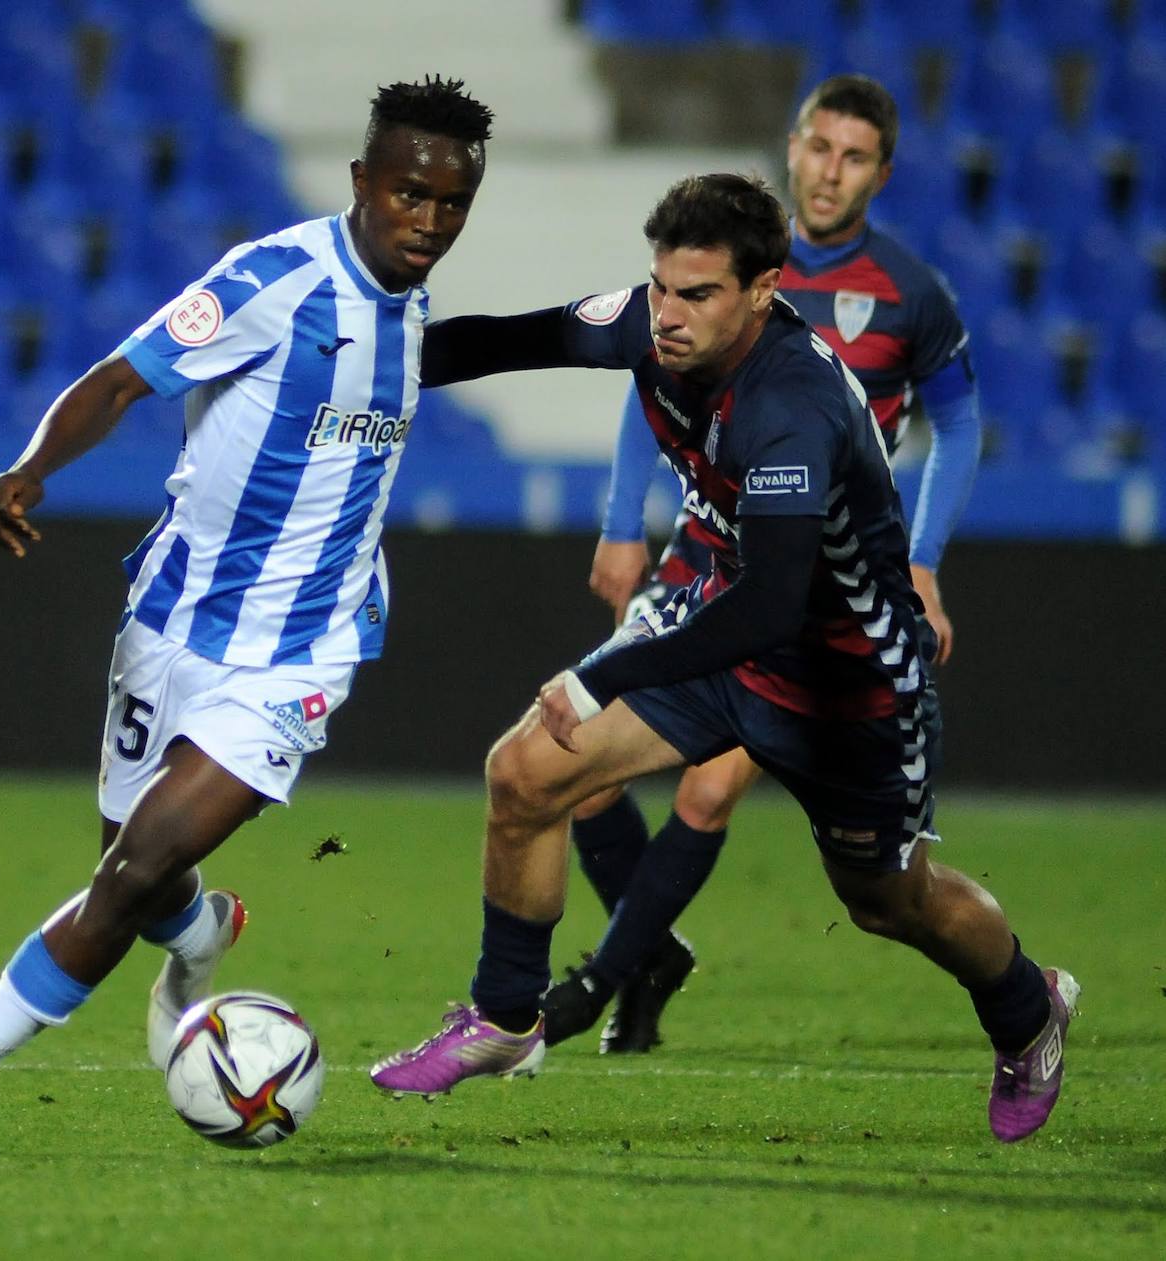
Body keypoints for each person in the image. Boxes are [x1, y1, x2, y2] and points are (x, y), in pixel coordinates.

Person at [0, 76, 494, 1153]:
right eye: (406, 194)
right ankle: (203, 940)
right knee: (143, 878)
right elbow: (117, 379)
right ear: (362, 183)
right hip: (175, 621)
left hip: (303, 648)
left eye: (449, 203)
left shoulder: (413, 310)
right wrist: (29, 468)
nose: (426, 221)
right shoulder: (274, 280)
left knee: (135, 865)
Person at [369, 174, 1075, 1144]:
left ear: (763, 289)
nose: (667, 313)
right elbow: (504, 338)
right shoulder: (645, 323)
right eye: (662, 285)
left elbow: (776, 604)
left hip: (850, 686)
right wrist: (369, 362)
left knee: (889, 901)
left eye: (697, 294)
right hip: (724, 643)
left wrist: (603, 672)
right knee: (527, 768)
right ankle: (502, 1016)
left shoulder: (793, 404)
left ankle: (1030, 1012)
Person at [549, 74, 986, 1055]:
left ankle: (609, 982)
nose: (830, 171)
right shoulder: (726, 259)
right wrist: (625, 522)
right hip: (705, 552)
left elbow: (960, 431)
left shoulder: (910, 294)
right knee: (576, 770)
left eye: (854, 155)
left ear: (881, 172)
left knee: (707, 791)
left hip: (816, 584)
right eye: (818, 146)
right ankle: (650, 955)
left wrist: (922, 558)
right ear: (793, 146)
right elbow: (651, 375)